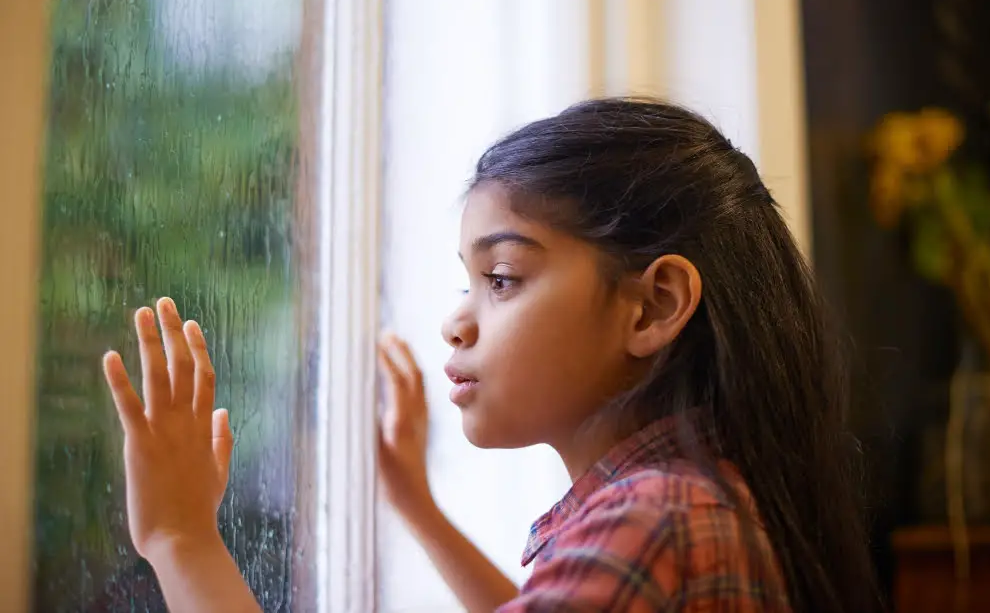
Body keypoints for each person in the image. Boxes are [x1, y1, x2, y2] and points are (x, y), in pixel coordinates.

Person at [102, 98, 882, 612]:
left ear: (654, 305)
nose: (456, 321)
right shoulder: (701, 499)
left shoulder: (656, 519)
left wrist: (181, 537)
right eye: (468, 282)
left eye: (501, 278)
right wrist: (417, 506)